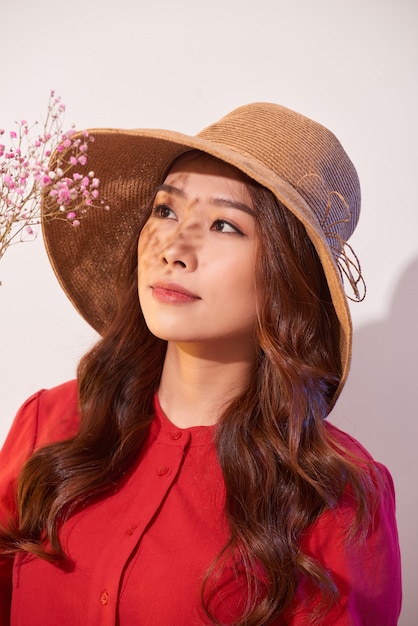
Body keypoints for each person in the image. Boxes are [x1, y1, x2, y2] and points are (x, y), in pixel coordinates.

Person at [0, 102, 401, 625]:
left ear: (288, 277)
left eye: (224, 225)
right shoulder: (50, 425)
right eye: (165, 210)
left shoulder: (337, 496)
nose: (174, 247)